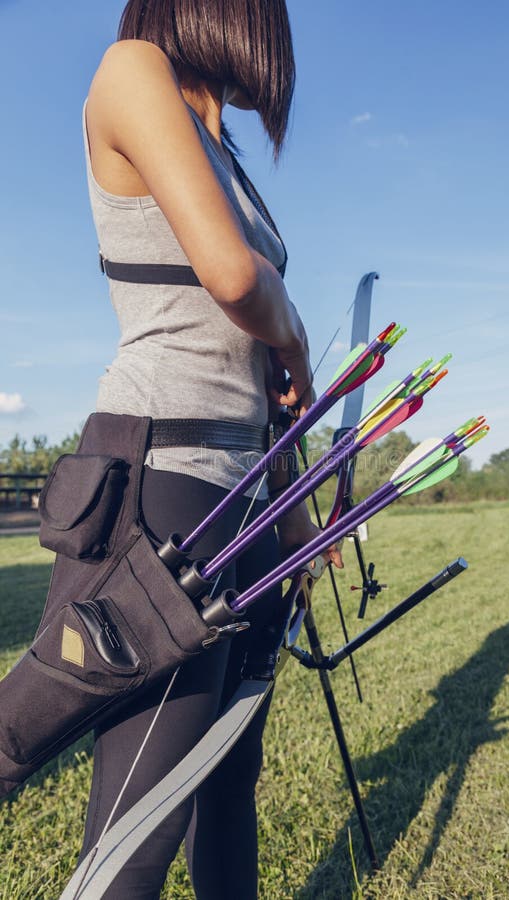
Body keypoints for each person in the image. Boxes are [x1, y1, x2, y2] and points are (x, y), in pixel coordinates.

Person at [80, 1, 341, 896]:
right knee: (141, 821)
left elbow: (261, 391)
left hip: (247, 493)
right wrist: (299, 338)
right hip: (166, 484)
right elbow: (235, 279)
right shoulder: (133, 69)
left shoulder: (221, 146)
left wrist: (296, 523)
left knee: (229, 780)